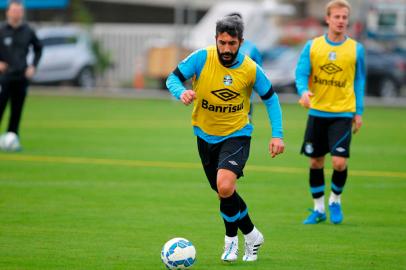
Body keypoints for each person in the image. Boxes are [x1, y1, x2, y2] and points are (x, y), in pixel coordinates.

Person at [166, 15, 284, 262]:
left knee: (225, 186)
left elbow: (271, 98)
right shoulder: (201, 58)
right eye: (223, 43)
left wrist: (277, 135)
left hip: (237, 134)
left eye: (232, 43)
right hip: (204, 135)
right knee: (224, 193)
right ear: (216, 40)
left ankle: (231, 242)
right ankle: (252, 235)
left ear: (241, 42)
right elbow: (172, 78)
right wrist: (182, 92)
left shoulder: (250, 68)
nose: (227, 48)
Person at [295, 0, 365, 225]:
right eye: (337, 17)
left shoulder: (356, 49)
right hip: (317, 113)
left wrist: (359, 112)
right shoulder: (313, 46)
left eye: (345, 17)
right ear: (327, 19)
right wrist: (304, 91)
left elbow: (359, 81)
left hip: (343, 113)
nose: (341, 21)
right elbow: (301, 73)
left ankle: (335, 200)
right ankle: (318, 209)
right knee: (315, 162)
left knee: (339, 163)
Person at [0, 0, 42, 151]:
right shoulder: (1, 30)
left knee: (16, 112)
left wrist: (33, 66)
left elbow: (39, 48)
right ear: (8, 12)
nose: (17, 13)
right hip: (3, 78)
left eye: (19, 11)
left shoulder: (28, 31)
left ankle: (12, 141)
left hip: (21, 78)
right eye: (14, 10)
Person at [227, 13, 263, 122]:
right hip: (223, 98)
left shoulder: (251, 48)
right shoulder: (220, 47)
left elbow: (259, 71)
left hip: (245, 98)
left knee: (244, 131)